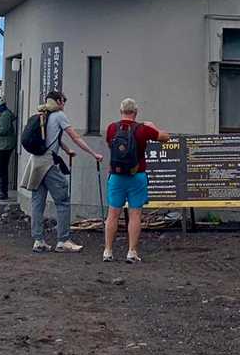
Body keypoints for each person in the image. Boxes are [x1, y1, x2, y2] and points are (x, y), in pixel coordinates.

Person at [22, 90, 102, 253]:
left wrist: (66, 150)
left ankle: (38, 240)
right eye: (63, 101)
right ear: (58, 101)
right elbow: (75, 137)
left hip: (35, 162)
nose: (64, 104)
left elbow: (51, 139)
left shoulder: (42, 114)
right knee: (63, 200)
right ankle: (63, 240)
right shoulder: (59, 115)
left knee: (37, 202)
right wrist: (93, 153)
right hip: (48, 164)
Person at [103, 98, 169, 264]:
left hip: (116, 176)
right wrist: (153, 127)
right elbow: (165, 137)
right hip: (137, 176)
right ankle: (131, 252)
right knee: (135, 214)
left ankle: (108, 251)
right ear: (136, 112)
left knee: (112, 214)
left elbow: (110, 145)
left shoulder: (112, 128)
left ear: (121, 111)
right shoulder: (142, 129)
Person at [0, 97, 17, 200]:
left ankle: (3, 192)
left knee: (2, 169)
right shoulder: (4, 114)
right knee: (0, 168)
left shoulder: (5, 115)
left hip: (5, 146)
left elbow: (2, 131)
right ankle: (0, 188)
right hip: (3, 145)